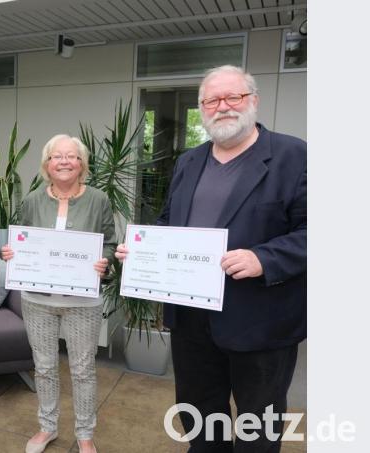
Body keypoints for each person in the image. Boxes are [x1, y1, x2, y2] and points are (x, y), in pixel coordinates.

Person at [116, 65, 306, 452]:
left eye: (232, 97)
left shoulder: (295, 156)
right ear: (202, 108)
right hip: (191, 318)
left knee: (258, 420)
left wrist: (264, 258)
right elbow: (171, 222)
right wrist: (143, 251)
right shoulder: (189, 161)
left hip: (260, 319)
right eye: (212, 100)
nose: (222, 107)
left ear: (253, 100)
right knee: (199, 412)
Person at [0, 134, 116, 453]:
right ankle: (47, 427)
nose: (64, 161)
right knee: (45, 366)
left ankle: (85, 433)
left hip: (83, 302)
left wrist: (103, 261)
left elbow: (108, 240)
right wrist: (11, 253)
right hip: (38, 301)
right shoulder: (32, 200)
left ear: (82, 164)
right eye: (57, 156)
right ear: (46, 164)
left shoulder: (98, 199)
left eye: (72, 156)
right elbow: (22, 239)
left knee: (82, 369)